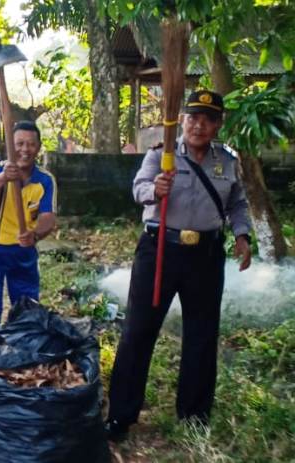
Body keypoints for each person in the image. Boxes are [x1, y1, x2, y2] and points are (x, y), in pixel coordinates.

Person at [105, 90, 253, 441]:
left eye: (207, 119)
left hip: (206, 256)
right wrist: (154, 189)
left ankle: (194, 416)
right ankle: (121, 416)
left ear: (217, 125)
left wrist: (243, 236)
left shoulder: (227, 162)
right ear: (182, 120)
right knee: (139, 331)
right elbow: (137, 188)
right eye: (193, 117)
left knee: (202, 335)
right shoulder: (162, 156)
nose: (199, 125)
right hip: (159, 251)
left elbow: (238, 204)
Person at [0, 120, 57, 331]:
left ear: (38, 147)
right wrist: (3, 178)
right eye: (19, 144)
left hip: (23, 250)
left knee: (27, 309)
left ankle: (22, 354)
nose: (25, 150)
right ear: (10, 145)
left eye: (30, 144)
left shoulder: (45, 180)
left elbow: (48, 217)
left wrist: (34, 235)